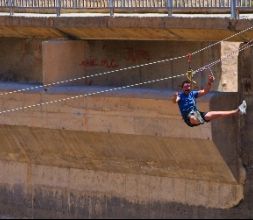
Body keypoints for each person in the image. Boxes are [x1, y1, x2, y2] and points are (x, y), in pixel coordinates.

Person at [173, 72, 247, 127]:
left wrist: (209, 82)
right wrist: (175, 97)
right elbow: (175, 101)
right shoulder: (180, 96)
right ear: (182, 88)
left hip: (197, 114)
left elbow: (205, 91)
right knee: (192, 117)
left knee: (216, 113)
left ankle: (237, 111)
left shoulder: (192, 93)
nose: (187, 90)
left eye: (188, 88)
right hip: (189, 118)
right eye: (185, 88)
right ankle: (200, 119)